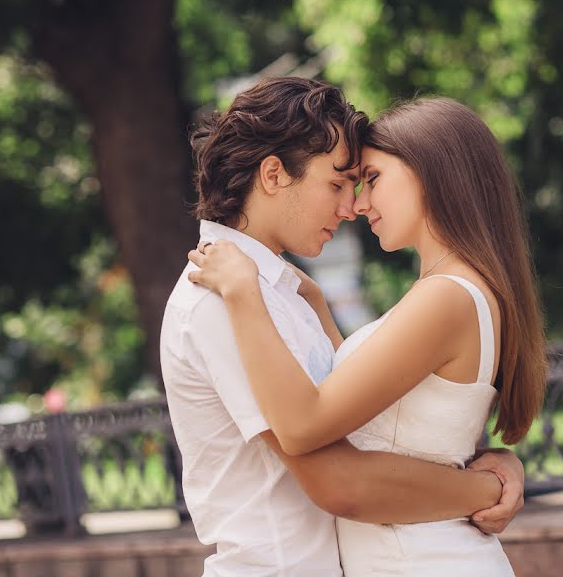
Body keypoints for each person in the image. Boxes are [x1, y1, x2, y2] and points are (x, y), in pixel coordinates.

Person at [161, 79, 527, 576]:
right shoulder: (222, 295)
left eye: (367, 180)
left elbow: (372, 433)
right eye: (339, 183)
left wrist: (494, 461)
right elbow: (338, 475)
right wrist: (490, 484)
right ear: (273, 175)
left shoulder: (271, 293)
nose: (352, 205)